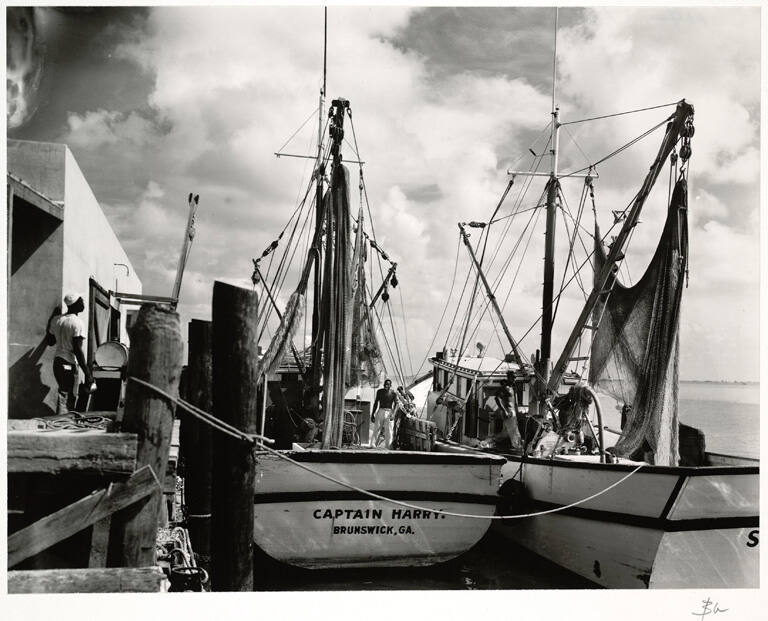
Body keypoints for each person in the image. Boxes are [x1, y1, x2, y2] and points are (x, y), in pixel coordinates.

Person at [47, 293, 94, 415]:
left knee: (63, 393)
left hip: (58, 362)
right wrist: (87, 373)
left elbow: (50, 342)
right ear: (75, 305)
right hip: (68, 363)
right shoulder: (77, 323)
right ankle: (63, 424)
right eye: (81, 301)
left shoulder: (56, 320)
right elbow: (77, 350)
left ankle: (62, 422)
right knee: (68, 396)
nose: (83, 303)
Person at [369, 378, 397, 448]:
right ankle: (373, 445)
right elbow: (376, 403)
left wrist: (393, 414)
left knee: (389, 430)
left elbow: (397, 404)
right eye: (386, 384)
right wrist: (373, 414)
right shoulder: (380, 392)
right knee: (377, 428)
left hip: (389, 411)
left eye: (388, 384)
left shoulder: (393, 393)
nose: (387, 385)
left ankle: (388, 446)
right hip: (380, 410)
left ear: (390, 385)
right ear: (383, 384)